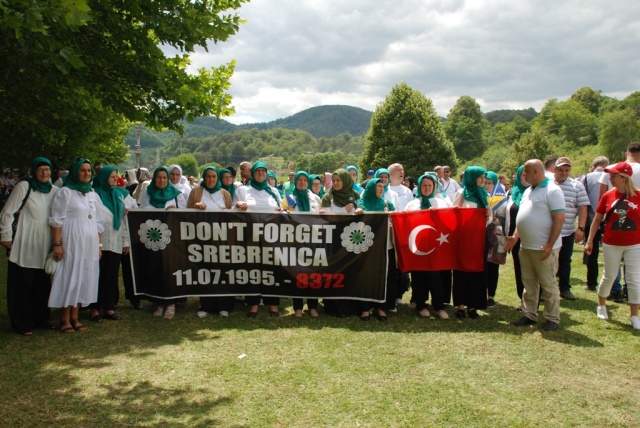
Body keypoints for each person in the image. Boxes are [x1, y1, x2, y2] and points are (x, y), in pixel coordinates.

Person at [0, 157, 59, 335]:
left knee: (42, 283)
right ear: (34, 171)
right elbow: (7, 213)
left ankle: (41, 318)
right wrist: (5, 236)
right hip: (25, 241)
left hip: (45, 242)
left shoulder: (55, 191)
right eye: (41, 169)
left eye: (47, 170)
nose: (44, 173)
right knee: (23, 283)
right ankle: (22, 322)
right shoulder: (24, 187)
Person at [49, 158, 108, 333]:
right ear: (75, 172)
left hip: (89, 242)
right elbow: (57, 220)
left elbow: (98, 223)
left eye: (89, 171)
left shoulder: (92, 194)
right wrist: (57, 243)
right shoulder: (66, 192)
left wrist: (98, 245)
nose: (86, 174)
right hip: (72, 240)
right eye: (83, 170)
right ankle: (64, 317)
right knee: (70, 275)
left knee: (84, 276)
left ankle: (75, 316)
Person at [506, 159, 565, 332]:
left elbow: (559, 219)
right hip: (526, 247)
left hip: (544, 247)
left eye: (526, 171)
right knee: (529, 282)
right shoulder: (528, 192)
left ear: (536, 172)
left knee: (548, 283)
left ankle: (552, 317)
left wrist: (549, 244)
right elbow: (523, 217)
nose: (524, 175)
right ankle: (529, 314)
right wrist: (516, 236)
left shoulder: (552, 190)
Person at [585, 161, 640, 330]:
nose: (610, 178)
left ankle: (634, 316)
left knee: (634, 280)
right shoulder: (608, 195)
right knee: (609, 275)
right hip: (611, 243)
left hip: (634, 244)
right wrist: (589, 240)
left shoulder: (638, 196)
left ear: (624, 178)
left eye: (614, 176)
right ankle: (601, 305)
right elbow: (597, 219)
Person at [234, 161, 282, 317]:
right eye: (257, 170)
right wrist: (237, 205)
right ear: (252, 173)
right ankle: (253, 304)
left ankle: (273, 305)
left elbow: (281, 211)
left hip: (271, 238)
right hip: (250, 237)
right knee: (252, 270)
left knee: (272, 270)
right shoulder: (243, 190)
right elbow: (232, 212)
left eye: (263, 170)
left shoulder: (274, 191)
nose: (261, 173)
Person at [89, 166, 137, 322]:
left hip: (115, 241)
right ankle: (94, 308)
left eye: (116, 176)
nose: (115, 179)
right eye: (111, 177)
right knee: (97, 275)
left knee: (111, 275)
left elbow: (130, 214)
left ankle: (109, 307)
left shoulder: (120, 195)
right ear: (103, 178)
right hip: (98, 242)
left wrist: (126, 241)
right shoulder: (94, 194)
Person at [187, 166, 234, 318]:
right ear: (204, 178)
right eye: (208, 176)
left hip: (222, 241)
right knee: (205, 272)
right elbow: (185, 213)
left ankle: (224, 305)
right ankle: (206, 305)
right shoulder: (196, 192)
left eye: (214, 176)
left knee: (222, 272)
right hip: (202, 240)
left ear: (218, 178)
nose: (211, 179)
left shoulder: (224, 194)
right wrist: (195, 207)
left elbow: (231, 216)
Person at [404, 173, 451, 319]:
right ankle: (421, 305)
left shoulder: (441, 202)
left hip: (435, 247)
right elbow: (406, 221)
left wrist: (436, 215)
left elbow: (448, 221)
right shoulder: (413, 203)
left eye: (430, 185)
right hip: (418, 247)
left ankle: (438, 307)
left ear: (434, 186)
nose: (427, 188)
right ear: (419, 186)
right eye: (424, 185)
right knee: (419, 276)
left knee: (435, 276)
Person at [141, 166, 187, 318]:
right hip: (154, 239)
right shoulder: (147, 194)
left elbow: (185, 217)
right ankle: (160, 302)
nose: (162, 180)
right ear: (154, 179)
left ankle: (172, 303)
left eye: (165, 178)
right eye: (159, 178)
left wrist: (176, 211)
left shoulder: (176, 195)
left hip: (172, 240)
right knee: (157, 268)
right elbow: (142, 212)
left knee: (171, 269)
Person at [320, 168, 361, 317]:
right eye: (334, 180)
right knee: (334, 273)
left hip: (351, 242)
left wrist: (359, 210)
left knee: (350, 272)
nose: (336, 183)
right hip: (333, 242)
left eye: (339, 180)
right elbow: (326, 219)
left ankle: (351, 306)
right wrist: (344, 210)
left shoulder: (356, 195)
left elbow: (362, 214)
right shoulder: (327, 197)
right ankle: (333, 307)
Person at [452, 166, 491, 319]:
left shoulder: (483, 194)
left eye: (484, 177)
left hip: (479, 239)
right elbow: (452, 213)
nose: (483, 180)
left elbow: (489, 219)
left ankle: (473, 305)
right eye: (479, 177)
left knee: (477, 271)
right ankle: (461, 305)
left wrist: (488, 215)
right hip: (463, 240)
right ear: (471, 178)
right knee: (462, 271)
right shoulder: (462, 193)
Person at [553, 157, 589, 301]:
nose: (564, 173)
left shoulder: (577, 185)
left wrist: (581, 228)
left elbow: (582, 208)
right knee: (548, 262)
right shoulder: (547, 183)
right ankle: (545, 289)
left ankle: (565, 288)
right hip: (548, 232)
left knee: (565, 261)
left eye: (567, 170)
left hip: (567, 231)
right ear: (555, 170)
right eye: (560, 170)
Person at [289, 171, 322, 317]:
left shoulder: (315, 198)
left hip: (313, 240)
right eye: (299, 180)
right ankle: (297, 307)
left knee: (313, 274)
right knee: (298, 274)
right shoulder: (289, 198)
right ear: (295, 181)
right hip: (296, 241)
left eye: (304, 180)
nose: (302, 182)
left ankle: (312, 306)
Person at [582, 156, 609, 291]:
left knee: (591, 250)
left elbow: (582, 200)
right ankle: (613, 285)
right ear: (606, 164)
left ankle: (591, 282)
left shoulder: (587, 177)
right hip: (610, 219)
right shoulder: (612, 176)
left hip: (591, 219)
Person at [504, 165, 529, 306]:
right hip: (514, 240)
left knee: (531, 272)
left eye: (529, 174)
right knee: (519, 270)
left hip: (530, 238)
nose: (526, 177)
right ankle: (523, 301)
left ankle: (533, 301)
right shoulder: (512, 193)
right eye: (523, 174)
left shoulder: (535, 192)